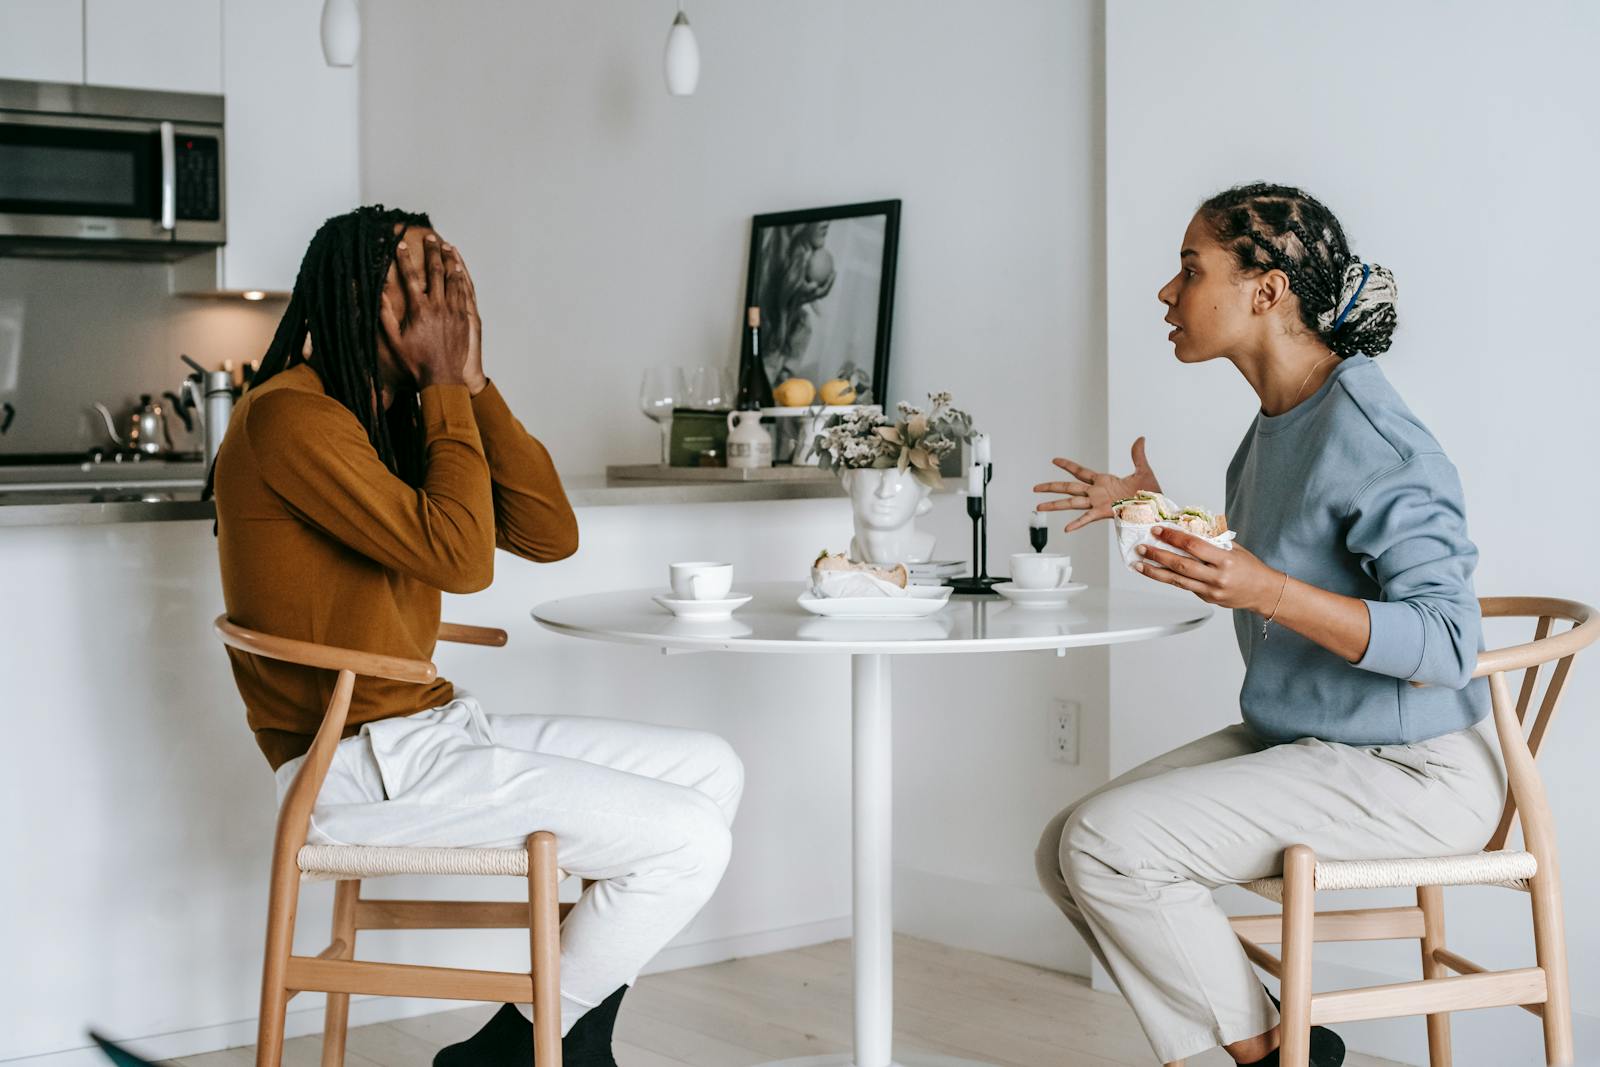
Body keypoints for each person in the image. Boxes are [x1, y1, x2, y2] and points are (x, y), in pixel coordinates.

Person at [211, 206, 744, 1067]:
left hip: (430, 734)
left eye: (452, 277)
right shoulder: (290, 418)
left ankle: (531, 1044)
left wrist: (473, 380)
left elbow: (549, 532)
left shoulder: (390, 414)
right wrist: (444, 389)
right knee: (691, 840)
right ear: (359, 296)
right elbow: (463, 558)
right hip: (357, 769)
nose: (448, 300)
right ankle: (533, 1048)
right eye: (423, 278)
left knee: (712, 769)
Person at [1032, 184, 1504, 1067]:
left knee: (1106, 845)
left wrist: (1267, 590)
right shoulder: (1279, 423)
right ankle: (1286, 1051)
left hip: (1411, 769)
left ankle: (1274, 1059)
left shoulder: (1372, 432)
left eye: (1189, 269)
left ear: (1267, 288)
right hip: (1315, 739)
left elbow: (1447, 645)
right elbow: (1281, 558)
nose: (1167, 296)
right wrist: (1156, 510)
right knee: (1064, 847)